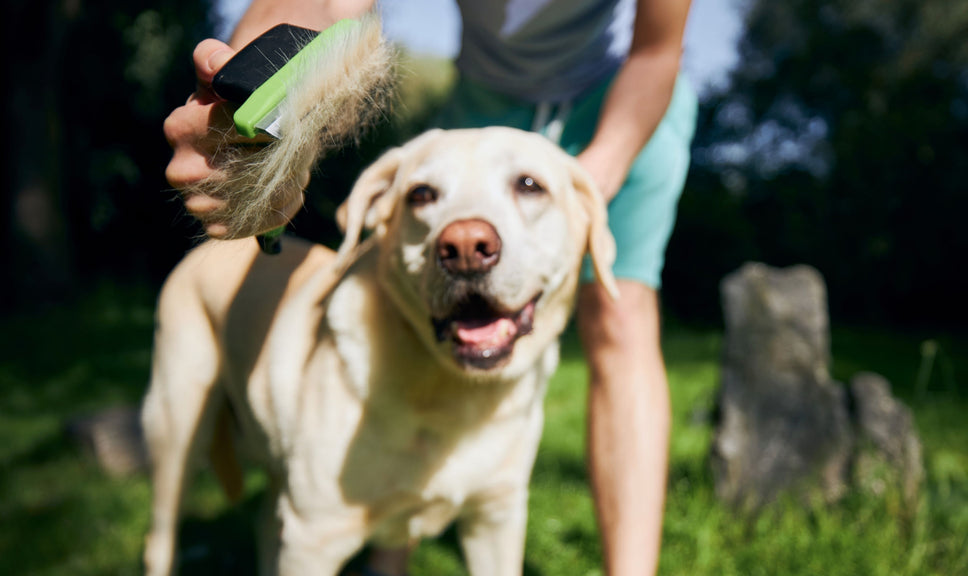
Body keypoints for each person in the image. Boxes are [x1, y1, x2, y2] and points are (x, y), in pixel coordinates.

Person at [163, 1, 696, 574]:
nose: (465, 241)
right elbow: (327, 5)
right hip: (484, 96)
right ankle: (391, 551)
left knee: (622, 316)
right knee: (416, 303)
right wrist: (249, 102)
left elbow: (657, 49)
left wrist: (585, 188)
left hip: (622, 94)